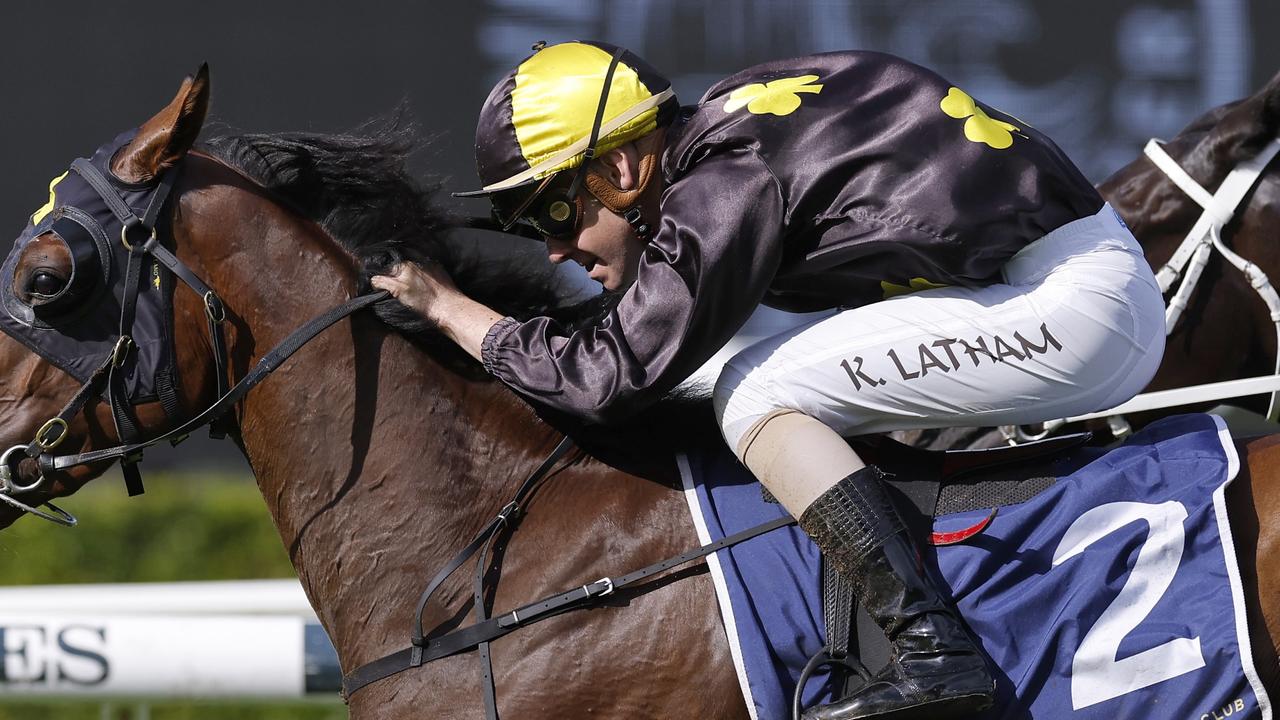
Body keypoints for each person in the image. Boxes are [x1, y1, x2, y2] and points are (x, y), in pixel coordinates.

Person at [373, 41, 1165, 719]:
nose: (553, 252)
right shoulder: (723, 132)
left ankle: (934, 649)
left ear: (619, 163)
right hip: (1053, 280)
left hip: (1070, 305)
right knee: (768, 386)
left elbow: (605, 379)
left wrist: (447, 308)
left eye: (554, 213)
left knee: (754, 391)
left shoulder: (725, 181)